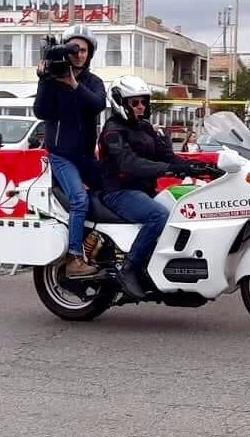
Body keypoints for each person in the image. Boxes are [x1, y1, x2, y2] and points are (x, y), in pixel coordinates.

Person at [97, 75, 196, 301]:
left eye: (143, 102)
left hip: (143, 191)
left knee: (182, 210)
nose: (141, 106)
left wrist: (197, 167)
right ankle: (130, 269)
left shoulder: (145, 128)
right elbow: (128, 164)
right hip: (119, 191)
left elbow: (167, 156)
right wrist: (166, 169)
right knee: (158, 216)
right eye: (135, 102)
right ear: (120, 103)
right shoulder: (113, 131)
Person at [33, 24, 107, 278]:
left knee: (114, 191)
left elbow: (97, 104)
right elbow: (41, 112)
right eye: (74, 49)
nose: (79, 54)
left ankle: (100, 245)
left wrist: (74, 84)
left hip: (86, 156)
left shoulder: (93, 82)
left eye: (84, 50)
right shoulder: (53, 80)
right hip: (61, 155)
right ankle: (74, 257)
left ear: (90, 53)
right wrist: (44, 80)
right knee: (79, 199)